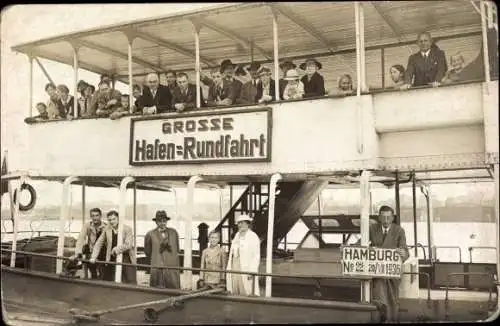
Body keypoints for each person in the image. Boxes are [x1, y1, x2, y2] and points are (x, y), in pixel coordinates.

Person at [362, 205, 409, 322]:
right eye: (383, 217)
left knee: (392, 299)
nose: (386, 221)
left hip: (392, 273)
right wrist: (348, 248)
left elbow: (405, 250)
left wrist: (404, 254)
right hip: (377, 271)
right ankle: (382, 312)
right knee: (379, 286)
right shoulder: (372, 229)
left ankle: (390, 317)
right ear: (379, 217)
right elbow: (360, 244)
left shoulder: (399, 230)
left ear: (392, 218)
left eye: (388, 217)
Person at [90, 210, 137, 284]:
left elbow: (128, 244)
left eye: (113, 219)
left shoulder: (127, 229)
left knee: (129, 280)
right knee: (112, 279)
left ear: (118, 219)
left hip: (126, 258)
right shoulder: (107, 229)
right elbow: (98, 243)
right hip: (112, 258)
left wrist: (116, 249)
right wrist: (93, 257)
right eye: (109, 220)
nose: (111, 222)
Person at [144, 210, 181, 289]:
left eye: (164, 221)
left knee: (173, 287)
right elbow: (147, 252)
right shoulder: (150, 234)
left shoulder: (174, 232)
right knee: (157, 288)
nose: (162, 223)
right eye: (159, 221)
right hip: (157, 265)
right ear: (156, 222)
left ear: (166, 221)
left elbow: (177, 249)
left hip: (172, 266)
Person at [226, 214, 260, 296]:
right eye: (239, 223)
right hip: (235, 266)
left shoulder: (253, 236)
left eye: (243, 223)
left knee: (246, 288)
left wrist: (252, 270)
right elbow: (233, 253)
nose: (240, 225)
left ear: (248, 224)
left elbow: (256, 255)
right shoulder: (237, 235)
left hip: (246, 267)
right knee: (234, 287)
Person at [72, 208, 107, 279]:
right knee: (91, 267)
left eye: (97, 215)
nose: (95, 218)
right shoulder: (88, 225)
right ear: (91, 217)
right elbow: (81, 239)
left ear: (100, 216)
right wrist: (77, 253)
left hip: (103, 251)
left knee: (103, 272)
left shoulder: (106, 226)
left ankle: (102, 278)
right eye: (93, 216)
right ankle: (93, 279)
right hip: (91, 250)